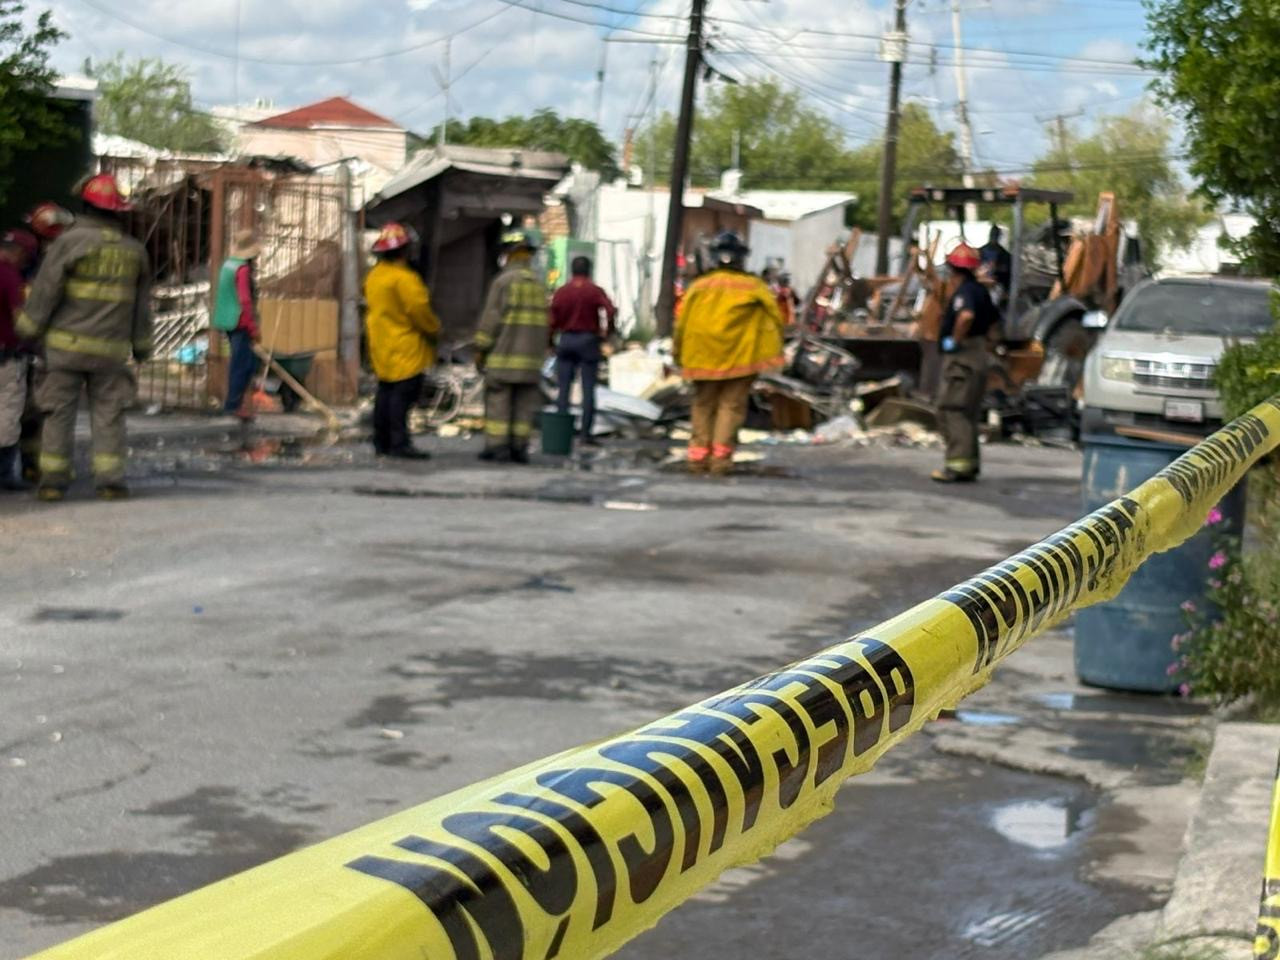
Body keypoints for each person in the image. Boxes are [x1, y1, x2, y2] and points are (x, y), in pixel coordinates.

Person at [16, 173, 152, 501]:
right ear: (120, 211)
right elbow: (141, 307)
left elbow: (46, 292)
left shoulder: (68, 243)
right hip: (111, 352)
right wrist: (142, 348)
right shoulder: (135, 252)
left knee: (58, 413)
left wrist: (27, 331)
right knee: (109, 414)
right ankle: (110, 481)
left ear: (85, 206)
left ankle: (53, 482)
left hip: (65, 348)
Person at [674, 230, 784, 476]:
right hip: (740, 359)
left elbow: (681, 323)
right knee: (730, 408)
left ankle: (697, 458)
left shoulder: (698, 287)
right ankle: (720, 461)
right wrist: (772, 354)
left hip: (700, 357)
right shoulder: (753, 286)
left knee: (702, 406)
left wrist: (677, 354)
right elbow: (775, 319)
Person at [363, 221, 439, 459]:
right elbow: (419, 311)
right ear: (404, 250)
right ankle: (399, 443)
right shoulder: (405, 279)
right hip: (405, 345)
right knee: (402, 395)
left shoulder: (374, 276)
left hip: (381, 344)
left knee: (385, 392)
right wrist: (435, 329)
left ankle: (381, 442)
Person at [474, 229, 549, 464]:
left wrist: (480, 349)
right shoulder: (538, 284)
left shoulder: (503, 282)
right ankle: (519, 448)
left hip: (503, 358)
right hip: (531, 362)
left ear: (509, 254)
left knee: (499, 404)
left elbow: (491, 320)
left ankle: (498, 448)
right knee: (524, 406)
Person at [933, 242, 999, 484]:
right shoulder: (982, 291)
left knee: (952, 409)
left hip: (963, 356)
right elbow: (994, 324)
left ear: (953, 269)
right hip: (978, 353)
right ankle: (969, 464)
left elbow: (966, 316)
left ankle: (956, 466)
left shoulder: (965, 293)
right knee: (968, 411)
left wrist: (955, 340)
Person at [550, 255, 615, 445]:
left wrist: (550, 342)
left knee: (564, 390)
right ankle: (585, 435)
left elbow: (551, 318)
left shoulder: (562, 291)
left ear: (572, 270)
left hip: (567, 339)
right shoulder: (594, 290)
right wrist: (606, 332)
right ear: (589, 270)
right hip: (588, 340)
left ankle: (561, 434)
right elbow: (610, 310)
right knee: (588, 389)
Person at [211, 229, 262, 421]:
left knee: (242, 362)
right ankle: (232, 406)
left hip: (227, 320)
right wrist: (253, 328)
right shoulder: (242, 269)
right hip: (239, 320)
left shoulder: (228, 265)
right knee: (243, 365)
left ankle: (235, 404)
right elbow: (245, 300)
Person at [0, 229, 37, 490]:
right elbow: (19, 317)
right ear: (20, 253)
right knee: (8, 412)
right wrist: (33, 340)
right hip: (5, 356)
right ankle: (3, 474)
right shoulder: (9, 275)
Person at [979, 224, 1012, 294]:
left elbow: (1008, 271)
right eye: (993, 235)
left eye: (995, 235)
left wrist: (996, 268)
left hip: (997, 285)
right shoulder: (980, 251)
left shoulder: (1005, 254)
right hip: (982, 284)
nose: (993, 237)